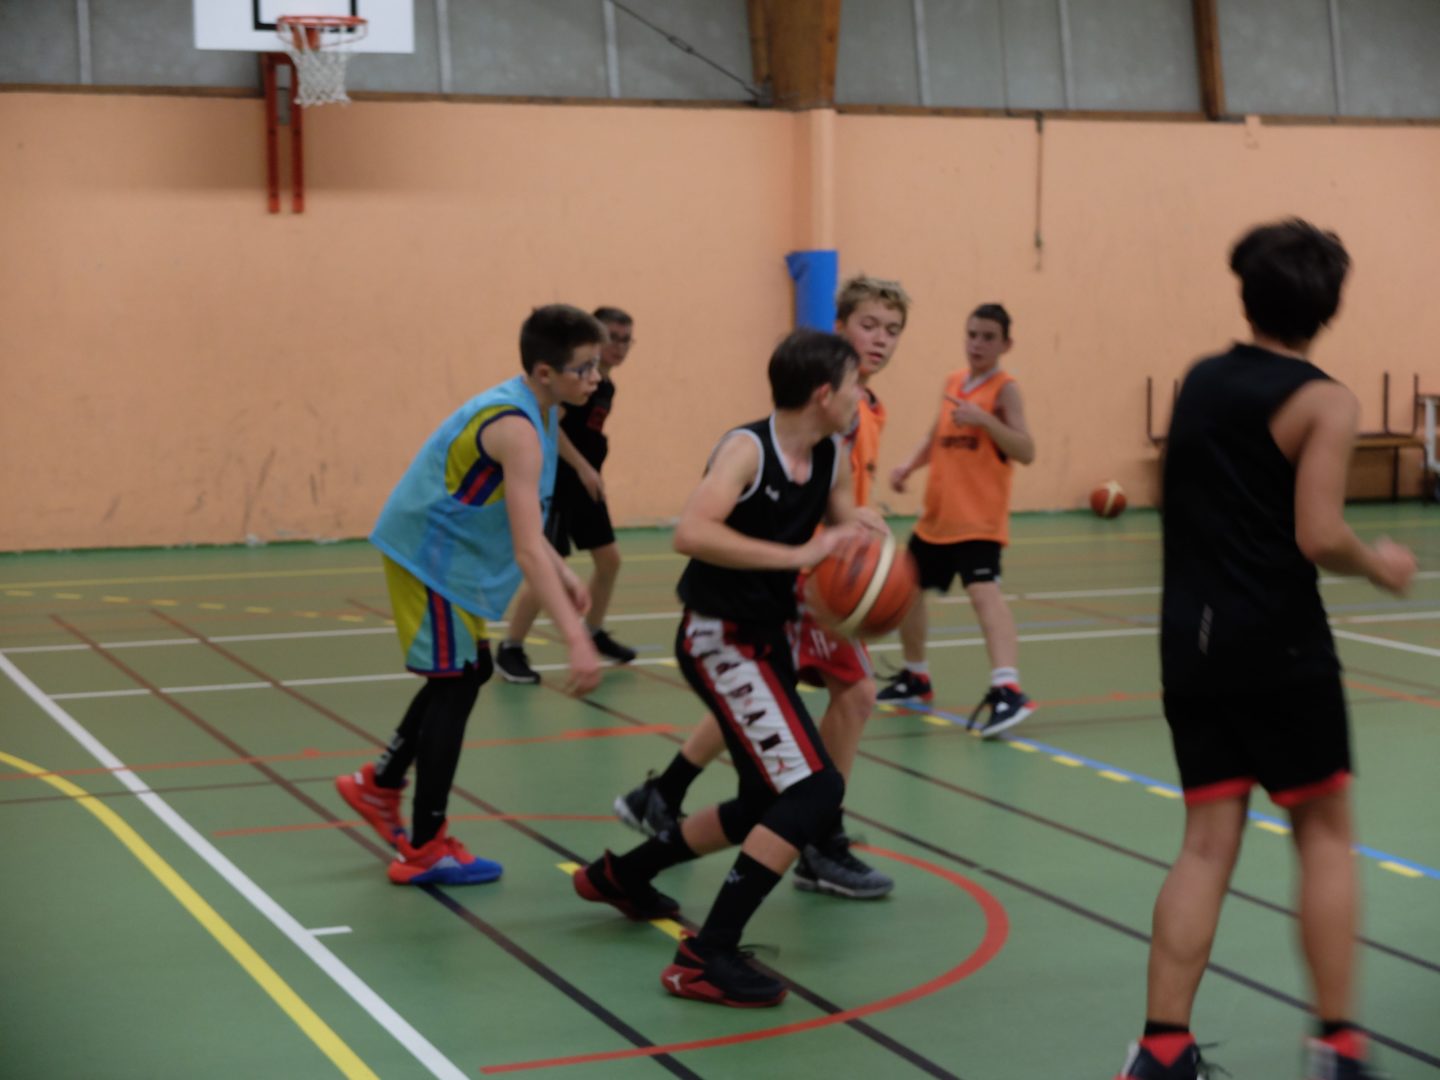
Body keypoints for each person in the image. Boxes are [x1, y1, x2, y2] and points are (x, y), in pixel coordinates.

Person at [1115, 219, 1415, 1080]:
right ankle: (1338, 1048)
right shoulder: (1326, 400)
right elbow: (1318, 533)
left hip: (1190, 643)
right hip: (1278, 645)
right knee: (1323, 832)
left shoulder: (1201, 380)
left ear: (1248, 294)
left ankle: (1162, 1051)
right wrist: (1380, 565)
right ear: (1329, 307)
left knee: (1207, 841)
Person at [573, 328, 877, 1006]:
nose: (862, 396)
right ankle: (704, 956)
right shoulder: (747, 449)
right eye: (855, 385)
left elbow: (843, 531)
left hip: (767, 638)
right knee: (815, 792)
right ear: (825, 393)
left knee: (761, 805)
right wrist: (797, 556)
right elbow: (693, 531)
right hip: (717, 638)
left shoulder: (830, 454)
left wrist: (869, 545)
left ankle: (623, 875)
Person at [613, 276, 912, 900]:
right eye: (869, 326)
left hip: (795, 584)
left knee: (766, 735)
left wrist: (859, 527)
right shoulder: (781, 426)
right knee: (840, 712)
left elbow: (834, 504)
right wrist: (810, 557)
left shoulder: (857, 413)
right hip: (773, 591)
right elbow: (696, 530)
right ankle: (818, 846)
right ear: (838, 333)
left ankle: (654, 813)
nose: (881, 339)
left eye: (892, 329)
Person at [334, 304, 605, 885]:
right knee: (456, 680)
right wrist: (576, 638)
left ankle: (378, 784)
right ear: (543, 371)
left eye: (597, 367)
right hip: (428, 557)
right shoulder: (518, 429)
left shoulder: (542, 411)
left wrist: (561, 568)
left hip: (447, 557)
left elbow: (529, 526)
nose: (596, 379)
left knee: (464, 672)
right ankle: (424, 846)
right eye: (584, 368)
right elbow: (528, 549)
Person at [879, 303, 1037, 739]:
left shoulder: (1005, 390)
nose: (977, 344)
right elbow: (937, 435)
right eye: (972, 334)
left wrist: (985, 421)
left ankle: (1008, 687)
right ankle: (917, 675)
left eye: (988, 337)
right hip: (938, 519)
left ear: (1006, 344)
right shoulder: (954, 382)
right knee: (907, 591)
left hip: (978, 520)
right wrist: (909, 466)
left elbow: (1026, 450)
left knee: (985, 595)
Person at [497, 307, 640, 683]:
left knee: (609, 560)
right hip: (560, 484)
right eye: (613, 338)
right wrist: (581, 466)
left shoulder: (604, 386)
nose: (620, 347)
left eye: (627, 340)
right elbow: (551, 428)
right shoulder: (566, 387)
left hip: (587, 486)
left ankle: (593, 631)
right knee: (549, 567)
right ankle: (511, 645)